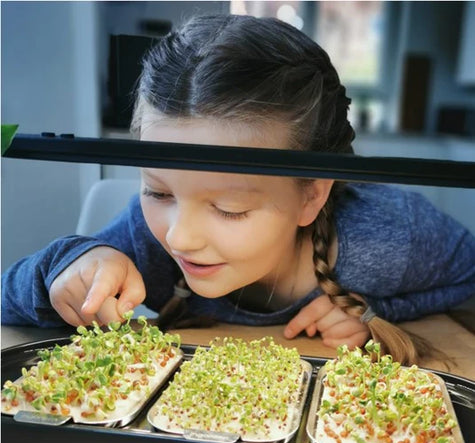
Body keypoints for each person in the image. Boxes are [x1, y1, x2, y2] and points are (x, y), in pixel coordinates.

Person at [2, 14, 475, 365]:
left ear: (311, 195)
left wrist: (373, 313)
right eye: (158, 192)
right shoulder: (145, 238)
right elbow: (7, 298)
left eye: (229, 209)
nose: (180, 237)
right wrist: (62, 269)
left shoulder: (390, 235)